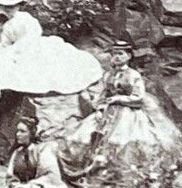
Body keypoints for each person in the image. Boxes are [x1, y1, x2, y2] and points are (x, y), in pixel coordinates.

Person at [0, 0, 103, 117]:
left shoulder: (26, 18)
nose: (9, 9)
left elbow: (32, 36)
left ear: (18, 6)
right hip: (15, 50)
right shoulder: (8, 26)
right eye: (6, 7)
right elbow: (4, 45)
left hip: (33, 47)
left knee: (42, 67)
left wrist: (15, 50)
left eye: (12, 7)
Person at [69, 37, 161, 169]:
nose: (116, 57)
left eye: (120, 54)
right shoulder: (108, 75)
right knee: (88, 136)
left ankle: (119, 169)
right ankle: (95, 168)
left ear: (128, 56)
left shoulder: (134, 75)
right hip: (108, 111)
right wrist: (100, 109)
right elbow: (103, 94)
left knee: (121, 141)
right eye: (114, 54)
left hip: (128, 113)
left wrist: (118, 99)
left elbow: (139, 97)